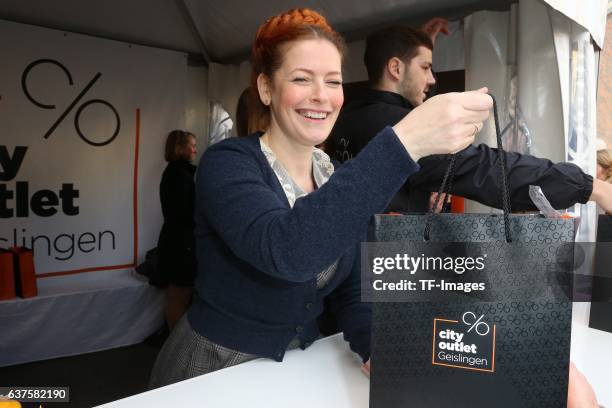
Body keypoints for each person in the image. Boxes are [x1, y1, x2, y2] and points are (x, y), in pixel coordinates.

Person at [149, 8, 612, 390]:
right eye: (302, 79)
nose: (322, 96)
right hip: (214, 370)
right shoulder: (227, 163)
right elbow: (288, 250)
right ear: (267, 88)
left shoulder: (332, 172)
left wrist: (379, 350)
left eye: (333, 81)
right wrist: (404, 142)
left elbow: (354, 287)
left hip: (298, 371)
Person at [156, 130, 198, 331]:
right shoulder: (179, 175)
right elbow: (184, 212)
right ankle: (174, 347)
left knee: (179, 295)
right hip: (181, 244)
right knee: (179, 296)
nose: (195, 150)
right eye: (191, 145)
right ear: (179, 148)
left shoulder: (176, 172)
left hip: (178, 241)